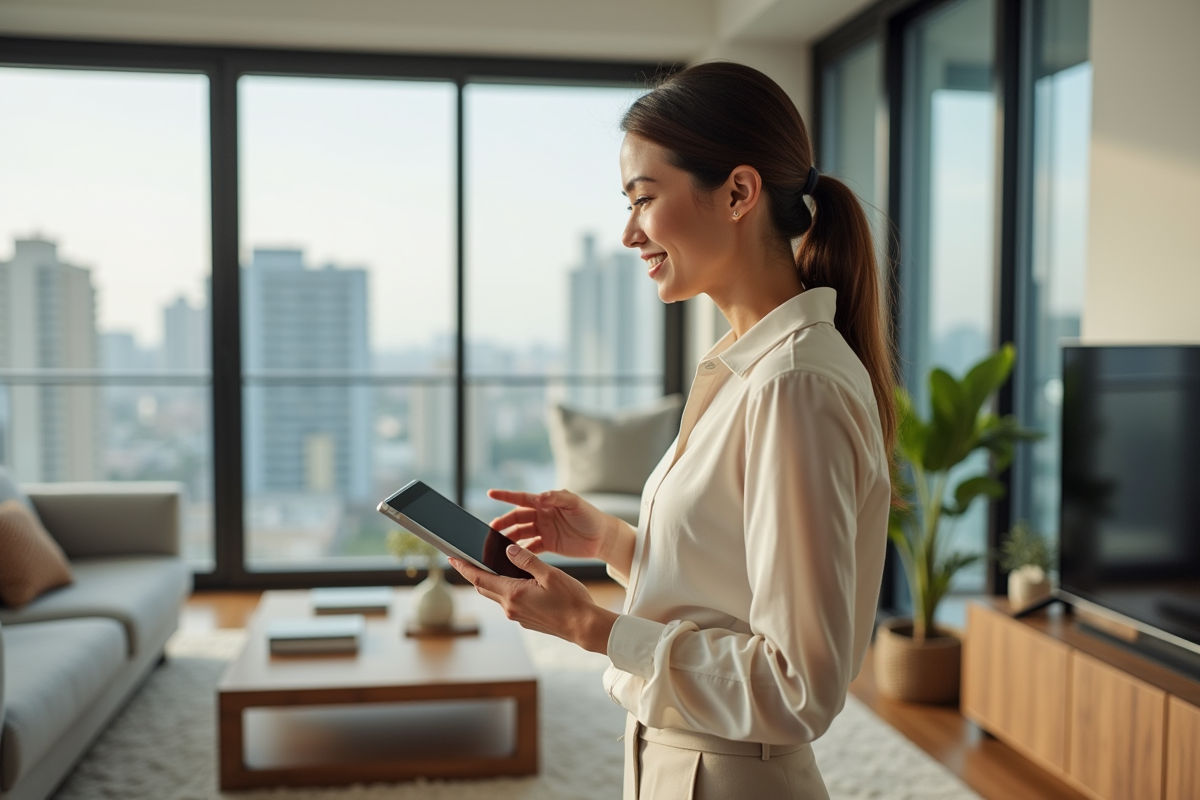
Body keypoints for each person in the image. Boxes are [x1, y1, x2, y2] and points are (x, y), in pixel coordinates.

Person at [448, 61, 896, 800]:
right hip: (684, 761)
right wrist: (614, 544)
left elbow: (797, 687)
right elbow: (730, 585)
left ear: (738, 192)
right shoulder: (747, 368)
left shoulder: (793, 384)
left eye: (643, 199)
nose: (629, 233)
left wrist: (592, 629)